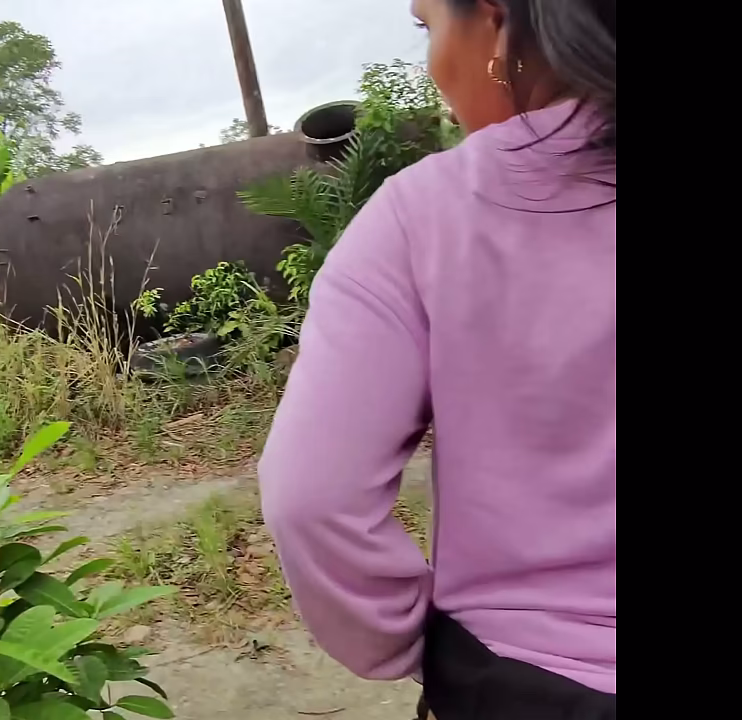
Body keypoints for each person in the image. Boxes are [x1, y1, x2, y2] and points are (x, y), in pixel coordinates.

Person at [257, 1, 616, 718]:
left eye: (428, 26)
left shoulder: (420, 218)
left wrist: (409, 645)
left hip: (531, 685)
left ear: (495, 20)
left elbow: (311, 497)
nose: (433, 69)